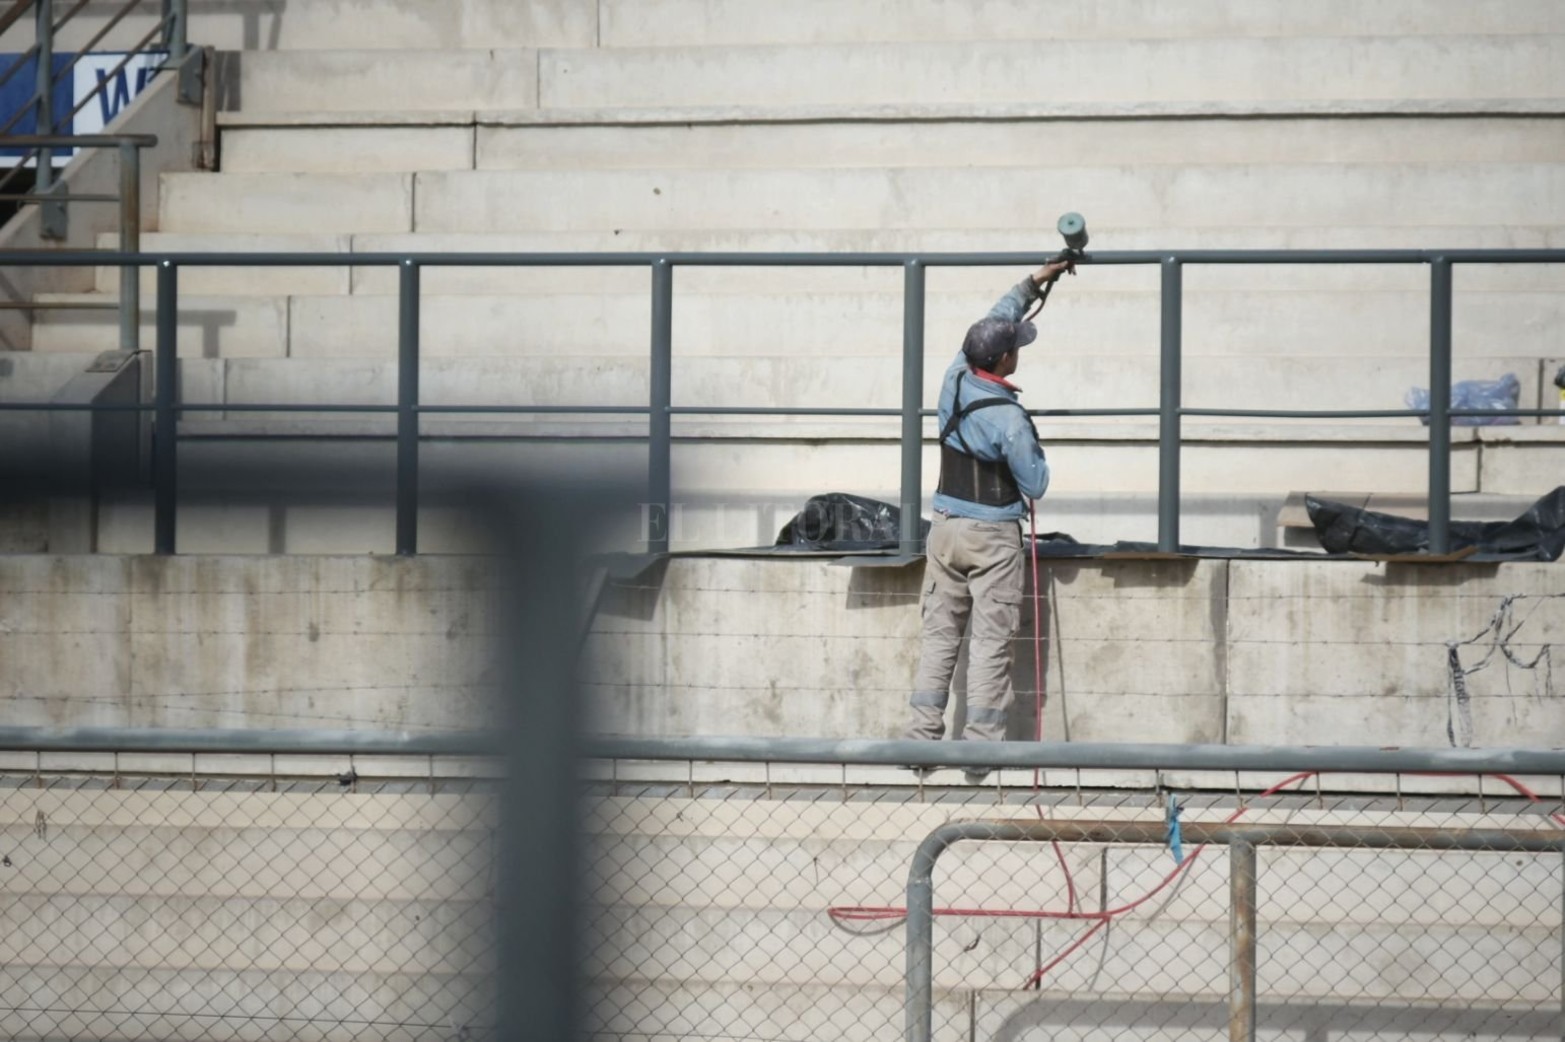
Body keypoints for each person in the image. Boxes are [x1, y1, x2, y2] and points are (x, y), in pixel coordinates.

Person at [903, 260, 1074, 780]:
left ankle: (920, 747)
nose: (1017, 350)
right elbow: (1036, 483)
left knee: (938, 640)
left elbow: (994, 317)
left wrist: (1034, 282)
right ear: (1003, 359)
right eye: (1015, 347)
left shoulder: (954, 377)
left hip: (945, 528)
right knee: (990, 645)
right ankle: (979, 755)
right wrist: (1034, 442)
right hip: (992, 538)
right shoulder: (1008, 418)